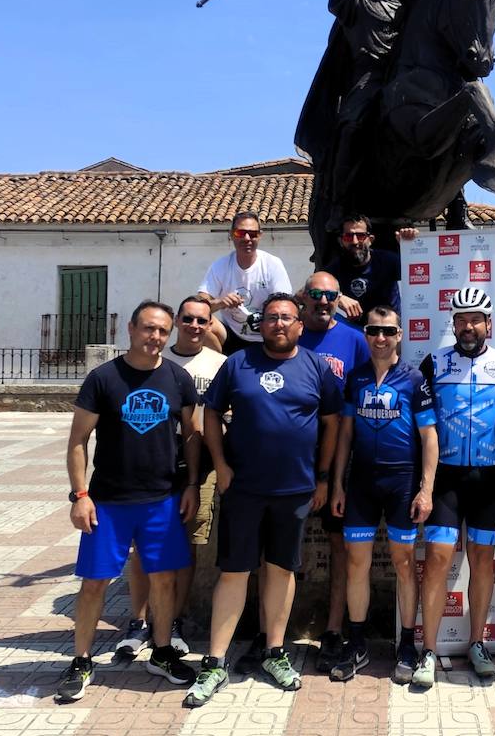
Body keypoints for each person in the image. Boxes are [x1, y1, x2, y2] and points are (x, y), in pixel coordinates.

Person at [185, 293, 342, 708]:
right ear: (261, 324)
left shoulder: (316, 366)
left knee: (281, 570)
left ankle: (275, 652)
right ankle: (215, 660)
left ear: (300, 325)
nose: (278, 324)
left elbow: (331, 424)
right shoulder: (237, 364)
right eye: (271, 317)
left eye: (286, 318)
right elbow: (212, 414)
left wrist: (323, 477)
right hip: (244, 489)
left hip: (294, 491)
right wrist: (221, 464)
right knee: (235, 572)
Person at [58, 301, 201, 703]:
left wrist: (190, 485)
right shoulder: (103, 378)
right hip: (109, 501)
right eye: (148, 329)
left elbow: (191, 435)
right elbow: (77, 441)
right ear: (132, 330)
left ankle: (161, 650)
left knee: (164, 579)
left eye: (162, 331)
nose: (155, 337)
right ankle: (82, 659)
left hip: (162, 499)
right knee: (94, 583)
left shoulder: (177, 378)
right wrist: (80, 495)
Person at [413, 287, 495, 689]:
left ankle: (478, 643)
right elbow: (424, 427)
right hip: (446, 479)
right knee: (438, 558)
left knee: (482, 559)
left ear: (489, 323)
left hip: (489, 478)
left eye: (475, 319)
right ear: (453, 324)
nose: (468, 326)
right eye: (461, 320)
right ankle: (428, 648)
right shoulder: (434, 363)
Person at [294, 0, 406, 261]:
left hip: (406, 81)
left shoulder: (410, 6)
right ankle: (339, 203)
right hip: (367, 78)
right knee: (352, 123)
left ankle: (455, 202)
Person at [329, 306, 438, 683]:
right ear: (365, 334)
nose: (380, 338)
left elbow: (429, 437)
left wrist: (426, 489)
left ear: (400, 334)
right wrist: (338, 482)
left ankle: (406, 643)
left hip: (401, 481)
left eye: (388, 331)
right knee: (356, 563)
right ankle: (356, 643)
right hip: (360, 480)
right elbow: (344, 433)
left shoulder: (413, 378)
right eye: (373, 331)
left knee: (404, 563)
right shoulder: (355, 377)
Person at [115, 297, 227, 663]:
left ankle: (174, 620)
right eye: (189, 319)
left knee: (188, 544)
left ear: (210, 325)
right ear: (178, 321)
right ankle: (139, 620)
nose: (195, 326)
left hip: (201, 464)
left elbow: (223, 414)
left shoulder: (220, 364)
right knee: (140, 548)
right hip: (151, 464)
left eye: (203, 321)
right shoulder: (156, 358)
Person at [295, 271, 370, 671]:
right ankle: (270, 632)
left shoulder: (355, 340)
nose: (323, 301)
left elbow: (359, 402)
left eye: (330, 295)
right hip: (292, 459)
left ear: (338, 299)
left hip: (340, 459)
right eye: (316, 295)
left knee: (339, 546)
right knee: (280, 544)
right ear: (303, 298)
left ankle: (333, 628)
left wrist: (335, 476)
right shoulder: (288, 330)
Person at [198, 210, 293, 355]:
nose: (247, 238)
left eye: (253, 234)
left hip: (267, 334)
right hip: (231, 334)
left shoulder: (272, 264)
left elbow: (285, 304)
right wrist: (221, 302)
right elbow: (199, 304)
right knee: (199, 321)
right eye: (240, 233)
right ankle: (219, 364)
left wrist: (265, 318)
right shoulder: (220, 266)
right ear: (231, 235)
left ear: (260, 236)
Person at [322, 215, 402, 327]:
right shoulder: (333, 269)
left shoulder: (390, 261)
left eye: (360, 236)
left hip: (389, 332)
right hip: (353, 334)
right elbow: (303, 294)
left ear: (370, 240)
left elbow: (423, 274)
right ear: (341, 241)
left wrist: (410, 244)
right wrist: (337, 296)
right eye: (348, 237)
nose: (355, 242)